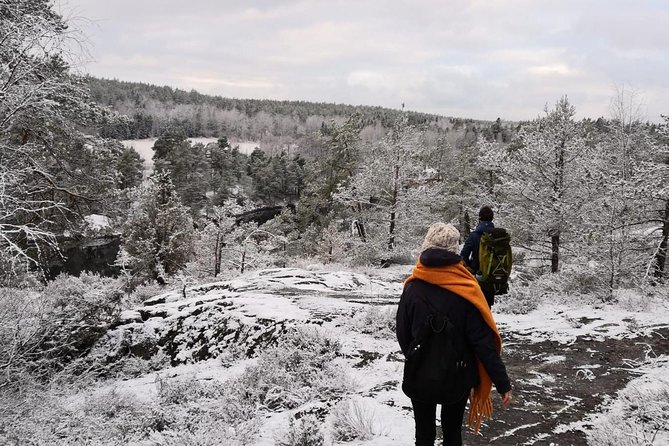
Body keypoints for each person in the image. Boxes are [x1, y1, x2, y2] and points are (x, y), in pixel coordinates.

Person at [397, 222, 512, 446]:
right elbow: (482, 342)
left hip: (419, 374)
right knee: (452, 433)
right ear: (455, 250)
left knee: (424, 435)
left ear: (426, 246)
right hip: (457, 376)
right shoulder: (467, 288)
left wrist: (418, 355)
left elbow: (403, 334)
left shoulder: (413, 286)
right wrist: (502, 382)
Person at [460, 206, 495, 306]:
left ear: (479, 218)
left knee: (476, 308)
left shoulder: (474, 235)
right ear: (492, 218)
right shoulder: (497, 236)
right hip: (492, 278)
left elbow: (464, 254)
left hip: (477, 276)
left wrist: (470, 268)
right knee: (487, 308)